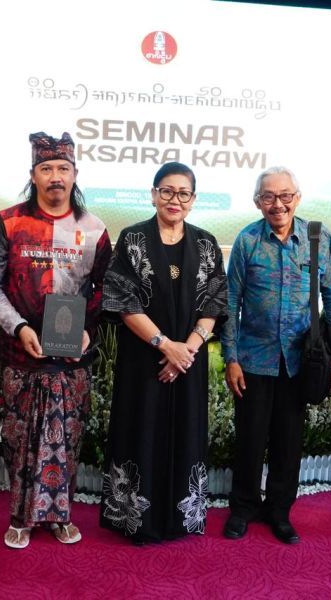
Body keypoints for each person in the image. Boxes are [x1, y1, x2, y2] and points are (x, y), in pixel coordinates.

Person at [0, 131, 112, 549]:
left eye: (63, 169)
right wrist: (18, 327)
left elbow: (107, 290)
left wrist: (90, 329)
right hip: (21, 352)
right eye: (46, 168)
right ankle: (20, 516)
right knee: (21, 438)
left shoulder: (94, 229)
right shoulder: (9, 221)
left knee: (66, 438)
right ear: (33, 174)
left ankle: (60, 516)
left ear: (75, 175)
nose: (55, 176)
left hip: (73, 357)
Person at [99, 162, 228, 544]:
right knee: (141, 429)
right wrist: (164, 346)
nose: (175, 200)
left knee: (185, 430)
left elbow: (214, 306)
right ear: (154, 194)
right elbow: (123, 303)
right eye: (167, 191)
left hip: (188, 361)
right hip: (144, 359)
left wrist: (185, 352)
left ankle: (179, 519)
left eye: (183, 193)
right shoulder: (133, 239)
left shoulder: (206, 244)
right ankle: (136, 520)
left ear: (193, 199)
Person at [220, 166, 331, 544]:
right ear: (257, 201)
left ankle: (279, 511)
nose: (278, 204)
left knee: (288, 442)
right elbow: (231, 301)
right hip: (254, 358)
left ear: (298, 197)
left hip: (300, 360)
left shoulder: (317, 238)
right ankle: (242, 508)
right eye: (269, 197)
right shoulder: (247, 241)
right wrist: (231, 357)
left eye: (285, 195)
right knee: (250, 440)